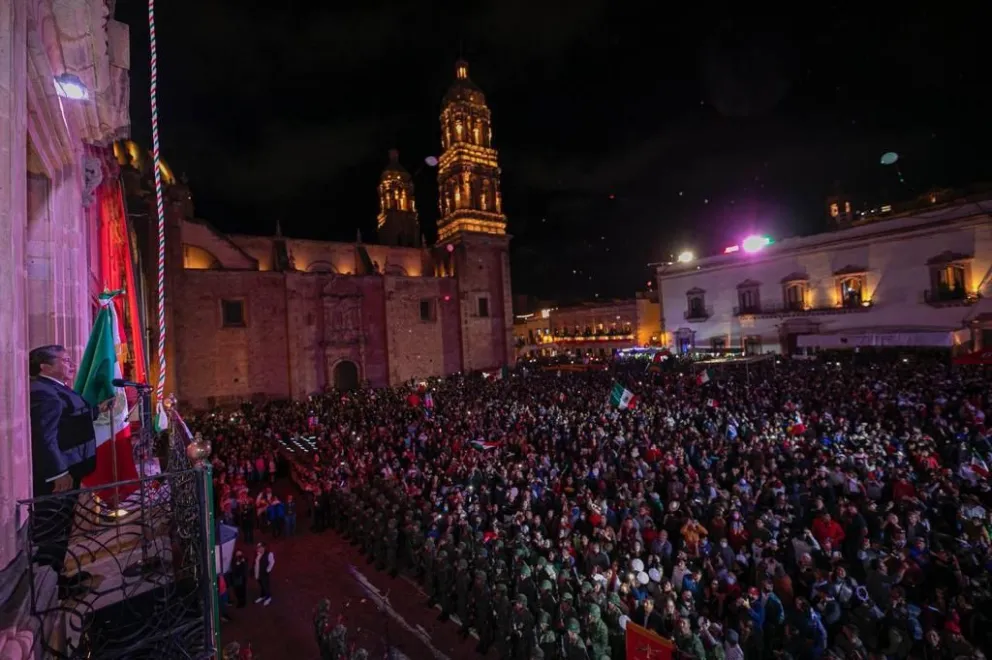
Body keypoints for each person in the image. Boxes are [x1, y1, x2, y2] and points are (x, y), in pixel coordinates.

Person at [28, 345, 105, 598]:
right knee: (52, 530)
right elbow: (44, 438)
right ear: (45, 366)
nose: (72, 364)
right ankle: (49, 587)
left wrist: (100, 409)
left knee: (61, 530)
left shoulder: (55, 388)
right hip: (58, 478)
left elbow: (72, 417)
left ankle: (57, 577)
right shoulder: (44, 392)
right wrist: (58, 472)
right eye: (65, 360)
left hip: (70, 471)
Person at [253, 541, 275, 606]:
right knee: (261, 585)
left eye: (261, 547)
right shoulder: (257, 554)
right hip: (258, 573)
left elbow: (272, 562)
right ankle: (263, 596)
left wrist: (268, 570)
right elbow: (255, 563)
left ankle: (268, 597)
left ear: (264, 547)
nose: (260, 549)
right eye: (258, 547)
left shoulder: (269, 554)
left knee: (265, 586)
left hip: (264, 573)